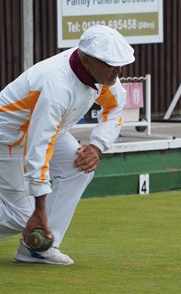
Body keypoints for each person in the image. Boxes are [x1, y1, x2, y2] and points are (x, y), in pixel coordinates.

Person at [0, 25, 135, 265]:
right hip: (9, 137)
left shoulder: (103, 76)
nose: (118, 71)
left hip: (47, 129)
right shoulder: (56, 85)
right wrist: (39, 211)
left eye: (120, 64)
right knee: (25, 217)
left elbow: (115, 108)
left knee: (79, 168)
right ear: (85, 58)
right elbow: (38, 148)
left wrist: (96, 146)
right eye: (110, 64)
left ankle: (36, 250)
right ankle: (35, 235)